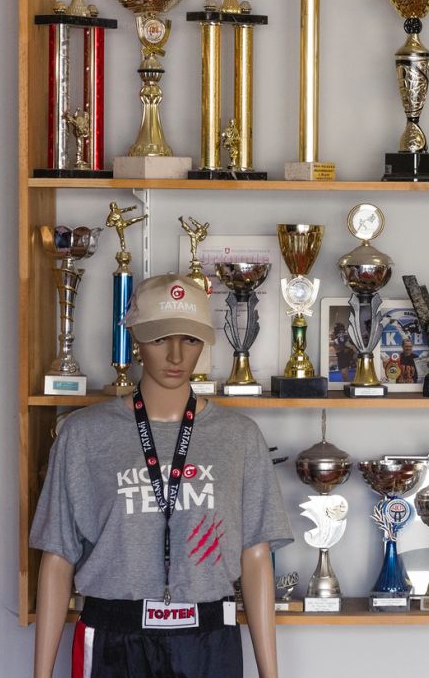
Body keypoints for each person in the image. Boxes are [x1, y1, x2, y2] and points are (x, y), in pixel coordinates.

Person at [30, 273, 294, 678]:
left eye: (189, 339)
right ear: (135, 338)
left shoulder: (239, 437)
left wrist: (270, 674)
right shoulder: (84, 435)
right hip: (114, 638)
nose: (175, 355)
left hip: (209, 638)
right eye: (159, 339)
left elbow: (256, 554)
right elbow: (57, 555)